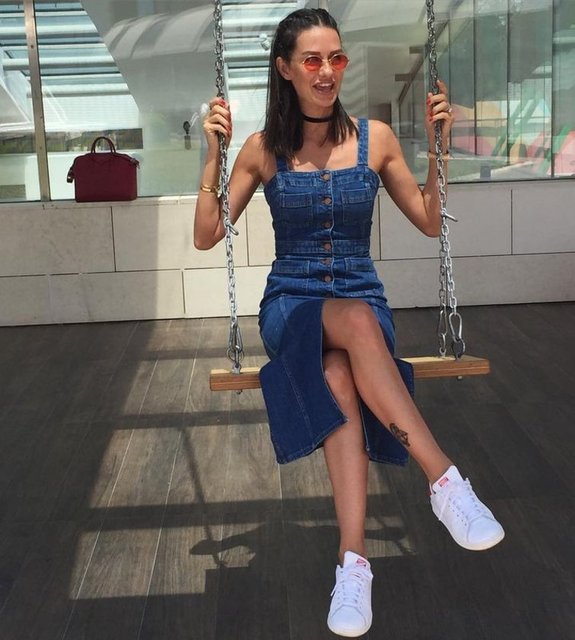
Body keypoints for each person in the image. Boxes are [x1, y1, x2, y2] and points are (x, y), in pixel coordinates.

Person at [194, 8, 504, 638]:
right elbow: (206, 235)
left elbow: (428, 219)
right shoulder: (262, 149)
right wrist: (213, 155)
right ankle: (445, 482)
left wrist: (439, 148)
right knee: (354, 323)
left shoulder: (375, 139)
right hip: (291, 305)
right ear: (285, 69)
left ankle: (353, 565)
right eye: (312, 59)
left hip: (362, 299)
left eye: (336, 58)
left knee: (342, 371)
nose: (327, 71)